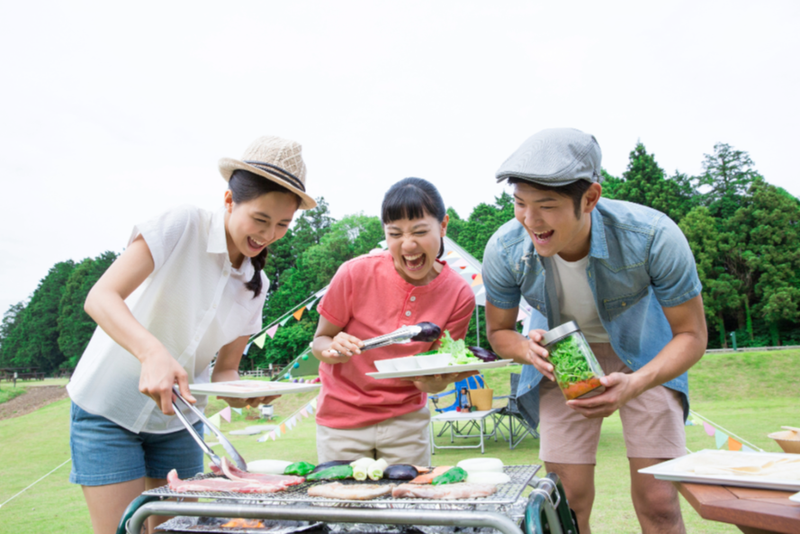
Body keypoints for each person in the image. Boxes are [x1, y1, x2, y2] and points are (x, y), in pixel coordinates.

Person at [67, 136, 316, 534]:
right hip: (107, 410)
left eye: (283, 225)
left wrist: (249, 394)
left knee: (177, 531)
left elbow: (225, 373)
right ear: (229, 200)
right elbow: (100, 297)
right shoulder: (183, 225)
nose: (268, 235)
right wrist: (151, 352)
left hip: (179, 424)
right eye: (260, 219)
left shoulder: (257, 282)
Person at [482, 128, 707, 534]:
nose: (530, 220)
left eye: (546, 206)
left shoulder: (653, 235)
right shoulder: (505, 249)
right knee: (567, 500)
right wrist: (525, 350)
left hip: (645, 354)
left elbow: (692, 335)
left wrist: (636, 383)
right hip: (558, 361)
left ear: (589, 198)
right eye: (519, 203)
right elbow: (499, 333)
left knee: (658, 500)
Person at [311, 177, 477, 466]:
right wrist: (333, 349)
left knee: (408, 506)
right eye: (395, 233)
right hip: (341, 421)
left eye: (420, 231)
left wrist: (437, 381)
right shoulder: (354, 274)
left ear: (444, 226)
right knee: (345, 507)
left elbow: (439, 373)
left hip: (406, 423)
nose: (408, 244)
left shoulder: (459, 294)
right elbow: (319, 342)